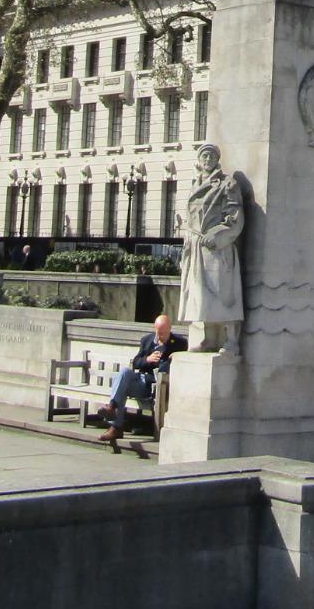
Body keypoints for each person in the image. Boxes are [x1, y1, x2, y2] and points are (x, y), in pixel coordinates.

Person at [177, 143, 246, 354]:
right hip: (197, 248)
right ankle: (208, 338)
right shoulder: (194, 183)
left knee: (225, 294)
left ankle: (232, 340)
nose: (207, 159)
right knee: (201, 296)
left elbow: (235, 217)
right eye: (204, 156)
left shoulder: (227, 184)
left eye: (211, 156)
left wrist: (216, 235)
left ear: (217, 159)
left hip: (217, 248)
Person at [97, 313, 186, 445]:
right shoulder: (147, 340)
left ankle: (115, 427)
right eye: (158, 332)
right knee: (124, 372)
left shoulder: (180, 343)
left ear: (169, 329)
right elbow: (136, 362)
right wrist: (148, 359)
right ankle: (112, 407)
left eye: (163, 333)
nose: (160, 336)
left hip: (155, 384)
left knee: (122, 386)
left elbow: (181, 364)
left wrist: (170, 359)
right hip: (141, 380)